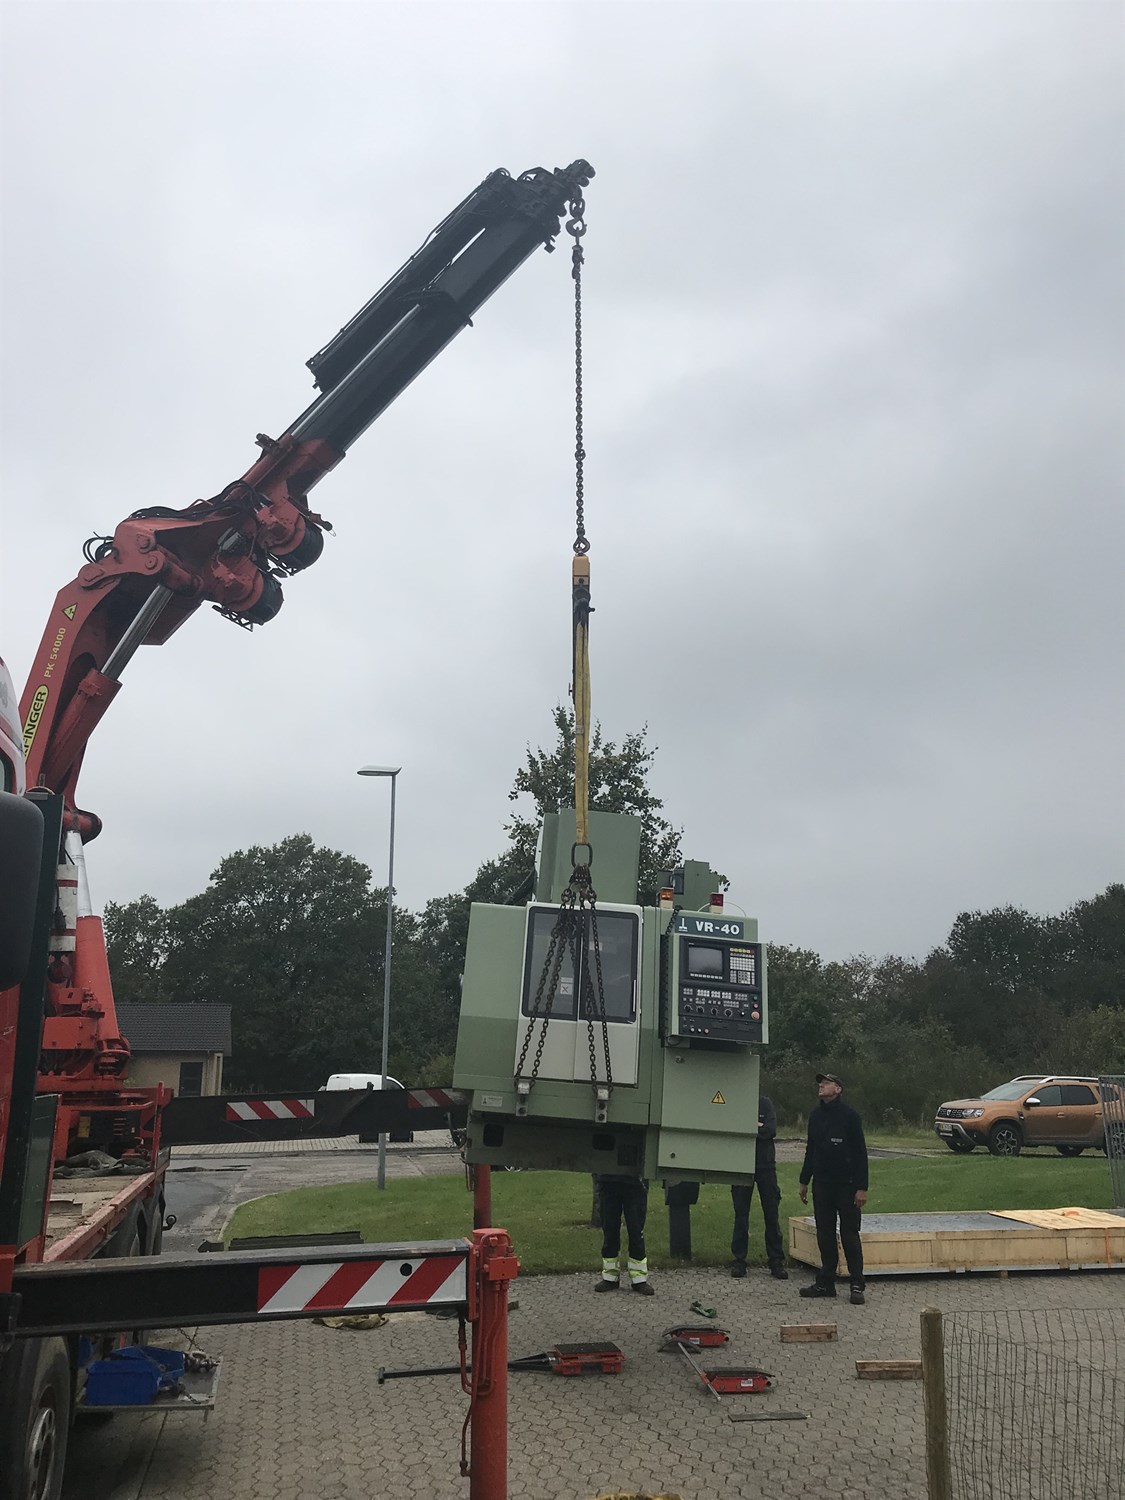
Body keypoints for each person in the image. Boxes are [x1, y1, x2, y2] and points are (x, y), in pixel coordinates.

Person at [797, 1073, 869, 1305]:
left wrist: (861, 1187)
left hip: (847, 1185)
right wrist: (804, 1180)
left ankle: (856, 1283)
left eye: (826, 1083)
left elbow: (860, 1153)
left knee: (849, 1234)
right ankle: (826, 1282)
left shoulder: (850, 1116)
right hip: (822, 1184)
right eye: (820, 1083)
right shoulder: (816, 1116)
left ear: (838, 1089)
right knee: (824, 1234)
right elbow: (811, 1149)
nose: (821, 1086)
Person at [730, 1092, 788, 1280]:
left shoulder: (765, 1103)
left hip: (766, 1166)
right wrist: (757, 1126)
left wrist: (751, 1129)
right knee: (741, 1215)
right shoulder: (736, 1103)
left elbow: (770, 1130)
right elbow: (733, 1129)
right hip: (741, 1166)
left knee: (771, 1214)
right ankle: (739, 1261)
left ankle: (776, 1261)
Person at [594, 1172, 654, 1295]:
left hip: (635, 1182)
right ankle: (610, 1278)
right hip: (608, 1181)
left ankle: (639, 1280)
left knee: (636, 1232)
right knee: (610, 1231)